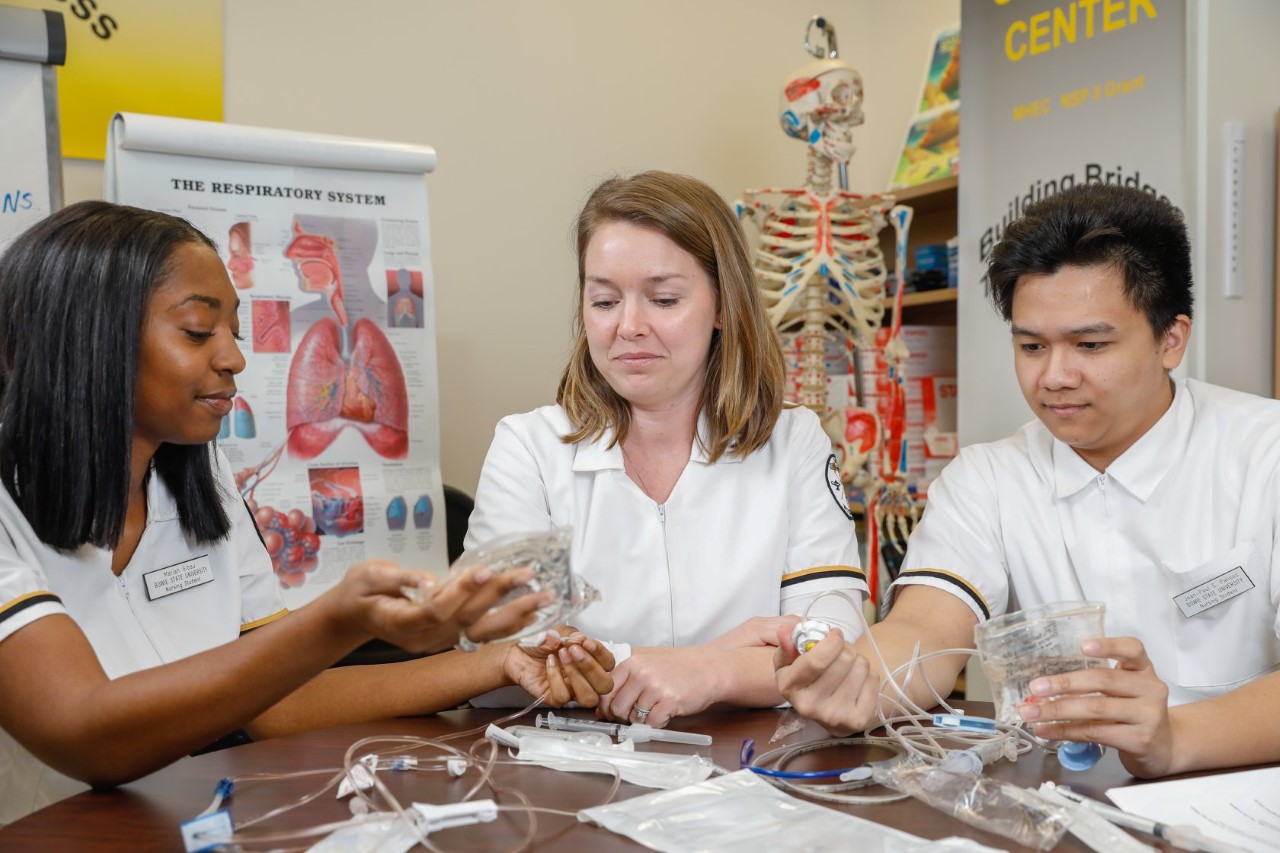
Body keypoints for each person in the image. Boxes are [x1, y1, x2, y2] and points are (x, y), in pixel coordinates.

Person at [0, 201, 614, 824]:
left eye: (234, 333)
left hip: (178, 822)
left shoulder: (198, 478)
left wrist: (501, 663)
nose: (234, 358)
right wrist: (337, 621)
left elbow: (275, 701)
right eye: (196, 331)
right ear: (87, 337)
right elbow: (84, 731)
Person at [774, 183, 1280, 779]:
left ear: (1172, 339)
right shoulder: (989, 477)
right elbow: (926, 627)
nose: (1055, 375)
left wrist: (1176, 737)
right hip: (1049, 807)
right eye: (1032, 346)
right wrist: (858, 681)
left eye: (1090, 344)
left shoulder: (1263, 455)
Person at [466, 171, 865, 728]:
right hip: (567, 773)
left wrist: (708, 672)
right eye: (604, 300)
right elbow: (509, 656)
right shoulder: (528, 448)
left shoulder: (792, 442)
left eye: (664, 299)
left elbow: (831, 642)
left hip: (750, 768)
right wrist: (724, 661)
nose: (629, 326)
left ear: (724, 307)